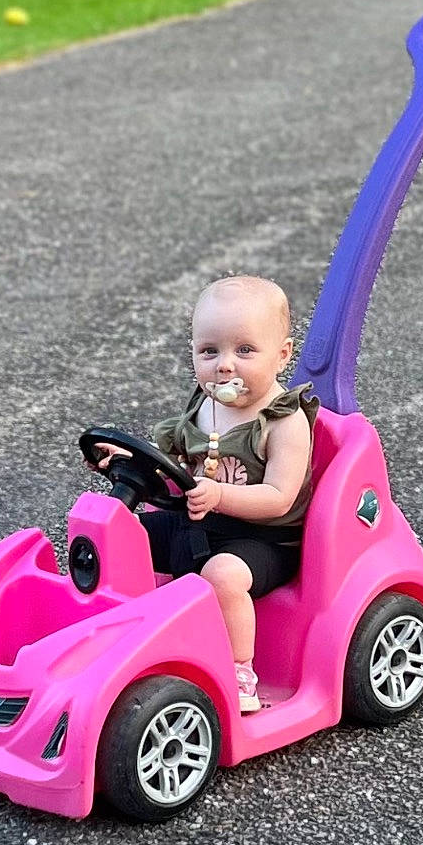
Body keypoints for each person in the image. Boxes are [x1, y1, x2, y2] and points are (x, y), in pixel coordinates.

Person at [102, 275, 317, 712]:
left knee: (223, 575)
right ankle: (110, 633)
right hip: (200, 519)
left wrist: (219, 495)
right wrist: (125, 463)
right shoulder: (202, 406)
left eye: (244, 350)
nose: (224, 365)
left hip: (262, 539)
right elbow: (177, 472)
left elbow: (278, 497)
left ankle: (240, 672)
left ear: (281, 355)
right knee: (118, 534)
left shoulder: (283, 421)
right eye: (209, 351)